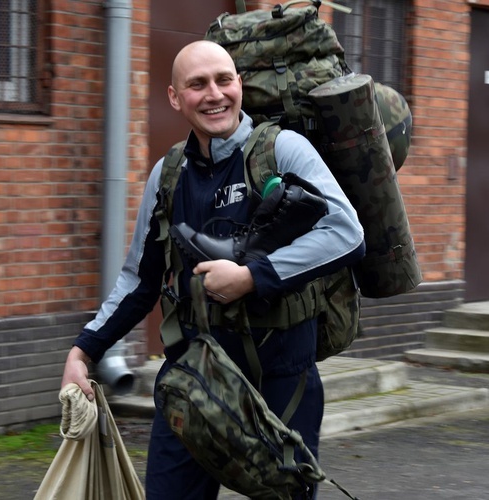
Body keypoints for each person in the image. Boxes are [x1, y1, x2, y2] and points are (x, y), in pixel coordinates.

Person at [61, 40, 365, 499]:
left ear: (239, 84)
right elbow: (139, 279)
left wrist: (251, 277)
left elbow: (347, 233)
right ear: (174, 97)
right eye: (197, 84)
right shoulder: (167, 174)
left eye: (224, 80)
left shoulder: (283, 150)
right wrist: (84, 350)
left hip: (281, 373)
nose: (214, 94)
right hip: (195, 374)